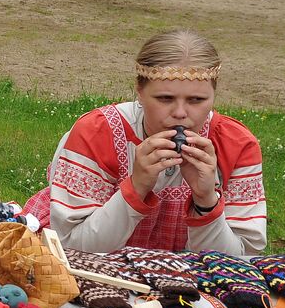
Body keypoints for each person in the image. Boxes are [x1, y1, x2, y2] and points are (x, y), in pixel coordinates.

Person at [25, 30, 266, 255]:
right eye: (165, 98)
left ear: (213, 95)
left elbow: (242, 260)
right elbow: (71, 247)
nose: (180, 113)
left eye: (196, 100)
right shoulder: (97, 133)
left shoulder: (235, 144)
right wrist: (137, 186)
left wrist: (205, 200)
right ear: (139, 91)